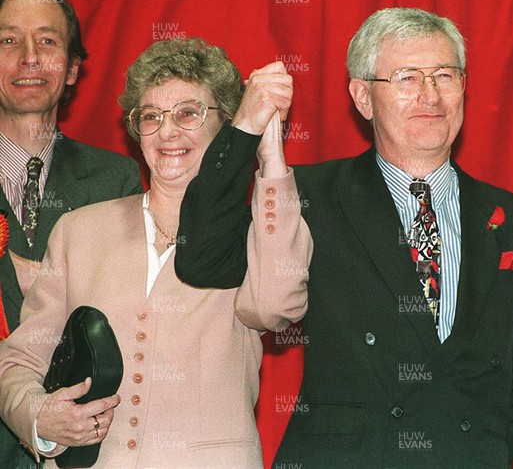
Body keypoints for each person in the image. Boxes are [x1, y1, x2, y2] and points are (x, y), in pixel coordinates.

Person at [175, 8, 513, 467]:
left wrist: (479, 444)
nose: (431, 95)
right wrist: (245, 128)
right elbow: (201, 257)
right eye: (407, 78)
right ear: (363, 97)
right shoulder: (311, 197)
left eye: (445, 75)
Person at [0, 37, 309, 468]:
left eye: (187, 113)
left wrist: (268, 152)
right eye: (151, 116)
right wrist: (40, 418)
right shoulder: (78, 231)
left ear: (225, 127)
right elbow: (19, 360)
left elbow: (276, 308)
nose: (167, 132)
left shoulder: (258, 233)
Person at [0, 0, 142, 467]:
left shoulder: (118, 179)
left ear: (74, 67)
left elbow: (131, 317)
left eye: (47, 41)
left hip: (87, 447)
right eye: (8, 40)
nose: (29, 58)